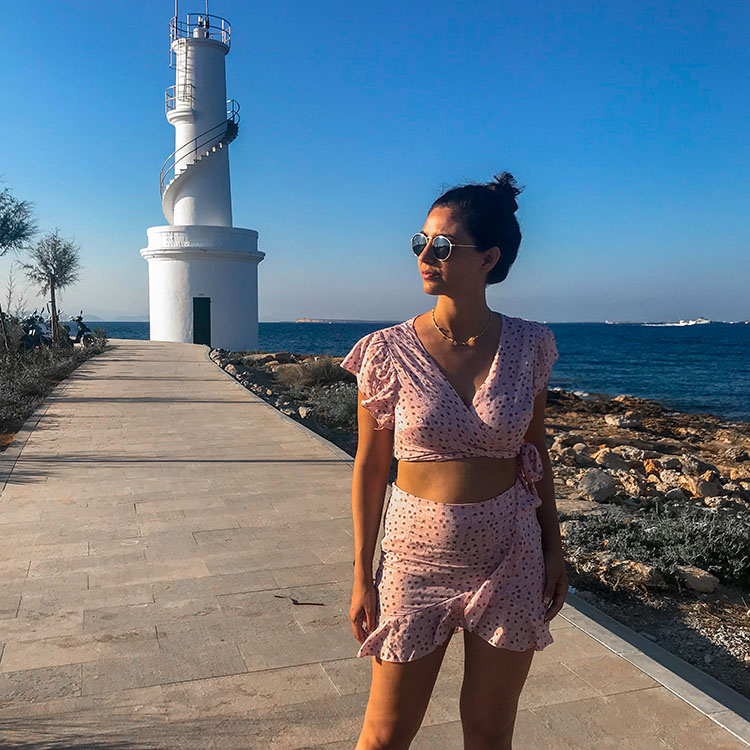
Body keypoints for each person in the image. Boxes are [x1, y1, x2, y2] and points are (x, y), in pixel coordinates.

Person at [339, 172, 567, 750]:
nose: (424, 256)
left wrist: (553, 546)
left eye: (442, 246)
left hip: (510, 553)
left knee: (490, 731)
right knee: (385, 734)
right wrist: (362, 572)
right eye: (420, 242)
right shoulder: (387, 351)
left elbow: (535, 449)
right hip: (414, 559)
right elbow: (370, 467)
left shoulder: (530, 345)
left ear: (488, 258)